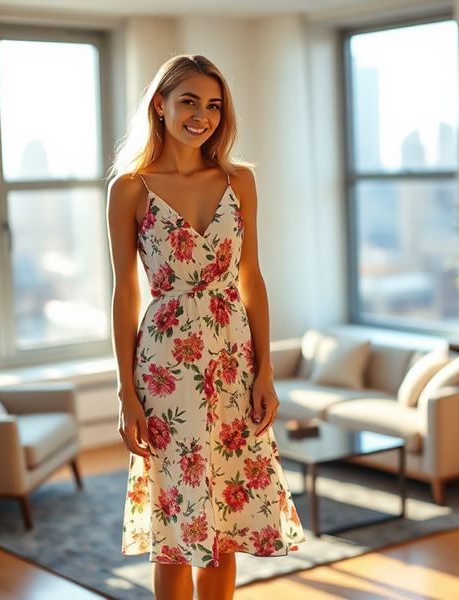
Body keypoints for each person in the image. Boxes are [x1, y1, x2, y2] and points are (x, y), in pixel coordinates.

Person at [106, 54, 305, 600]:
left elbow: (252, 279)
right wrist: (127, 392)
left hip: (233, 361)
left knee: (227, 521)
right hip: (166, 368)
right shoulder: (130, 188)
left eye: (213, 105)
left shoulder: (240, 181)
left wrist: (265, 372)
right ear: (160, 105)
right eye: (189, 101)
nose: (202, 116)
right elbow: (125, 295)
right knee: (176, 526)